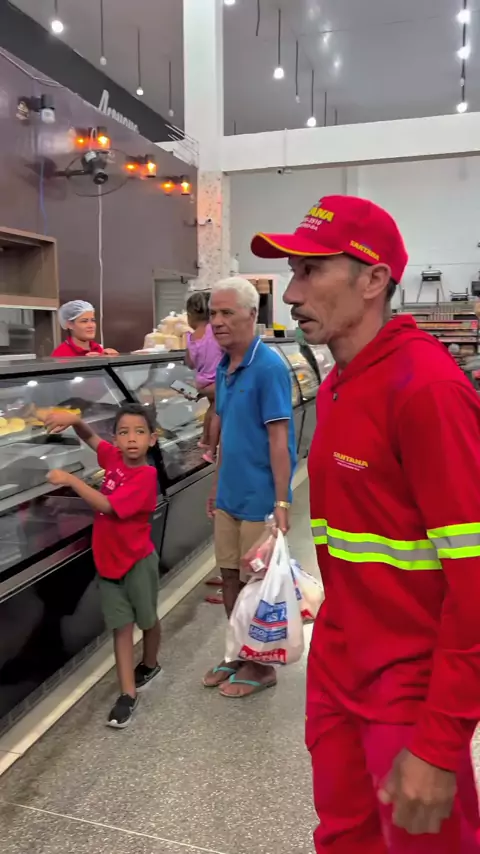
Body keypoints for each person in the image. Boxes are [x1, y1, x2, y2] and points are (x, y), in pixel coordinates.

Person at [251, 195, 480, 853]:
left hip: (410, 690)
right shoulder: (337, 385)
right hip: (339, 668)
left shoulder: (427, 391)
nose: (291, 293)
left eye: (311, 271)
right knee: (344, 836)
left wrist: (439, 741)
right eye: (292, 272)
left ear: (374, 279)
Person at [203, 276, 296, 698]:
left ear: (252, 314)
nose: (217, 322)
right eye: (213, 314)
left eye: (227, 312)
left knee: (256, 585)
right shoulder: (225, 366)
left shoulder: (269, 367)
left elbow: (279, 440)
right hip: (229, 495)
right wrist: (216, 485)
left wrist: (282, 501)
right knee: (229, 577)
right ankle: (238, 653)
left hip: (260, 498)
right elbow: (226, 433)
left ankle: (261, 667)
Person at [45, 402, 161, 729]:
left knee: (148, 619)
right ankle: (127, 694)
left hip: (137, 562)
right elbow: (91, 438)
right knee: (121, 628)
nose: (132, 438)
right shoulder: (113, 458)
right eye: (124, 432)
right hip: (109, 562)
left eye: (139, 432)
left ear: (152, 438)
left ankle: (150, 663)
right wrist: (75, 420)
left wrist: (72, 481)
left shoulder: (146, 475)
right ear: (116, 438)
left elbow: (108, 506)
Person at [185, 291, 222, 463]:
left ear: (191, 315)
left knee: (210, 409)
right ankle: (212, 449)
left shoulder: (190, 337)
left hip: (202, 382)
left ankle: (204, 440)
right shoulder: (214, 331)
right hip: (217, 380)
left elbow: (190, 363)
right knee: (217, 412)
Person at [52, 300, 119, 357]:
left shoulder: (98, 349)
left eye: (93, 320)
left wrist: (112, 362)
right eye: (84, 321)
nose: (91, 325)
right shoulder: (61, 354)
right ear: (70, 325)